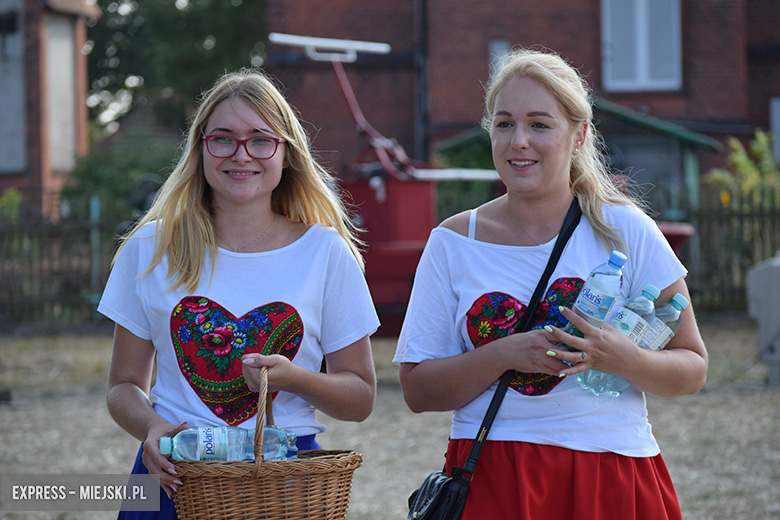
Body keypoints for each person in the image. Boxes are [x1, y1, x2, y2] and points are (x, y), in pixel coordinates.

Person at [394, 47, 707, 519]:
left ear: (579, 135)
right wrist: (504, 353)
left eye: (540, 124)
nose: (519, 140)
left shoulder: (627, 229)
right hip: (494, 474)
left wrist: (626, 359)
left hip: (611, 471)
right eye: (504, 123)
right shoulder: (453, 242)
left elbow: (693, 368)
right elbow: (418, 391)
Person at [98, 68, 379, 519]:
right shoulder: (150, 248)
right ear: (201, 148)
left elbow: (361, 397)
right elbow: (123, 385)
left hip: (283, 482)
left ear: (285, 152)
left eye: (261, 139)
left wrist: (293, 379)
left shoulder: (324, 251)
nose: (241, 154)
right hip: (175, 474)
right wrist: (152, 427)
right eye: (223, 138)